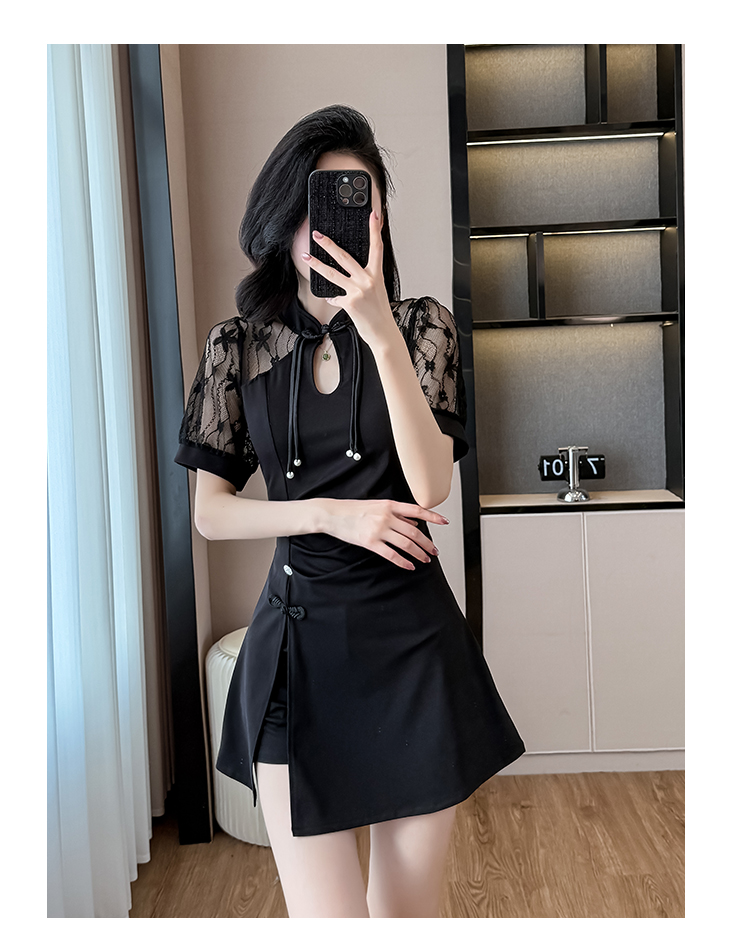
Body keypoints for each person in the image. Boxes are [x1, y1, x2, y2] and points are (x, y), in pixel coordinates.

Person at [174, 104, 525, 918]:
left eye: (356, 202)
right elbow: (212, 514)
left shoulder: (422, 328)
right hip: (295, 653)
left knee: (403, 916)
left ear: (379, 222)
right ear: (283, 218)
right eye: (316, 203)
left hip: (412, 650)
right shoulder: (238, 348)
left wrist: (379, 332)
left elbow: (429, 484)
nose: (333, 226)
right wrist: (332, 514)